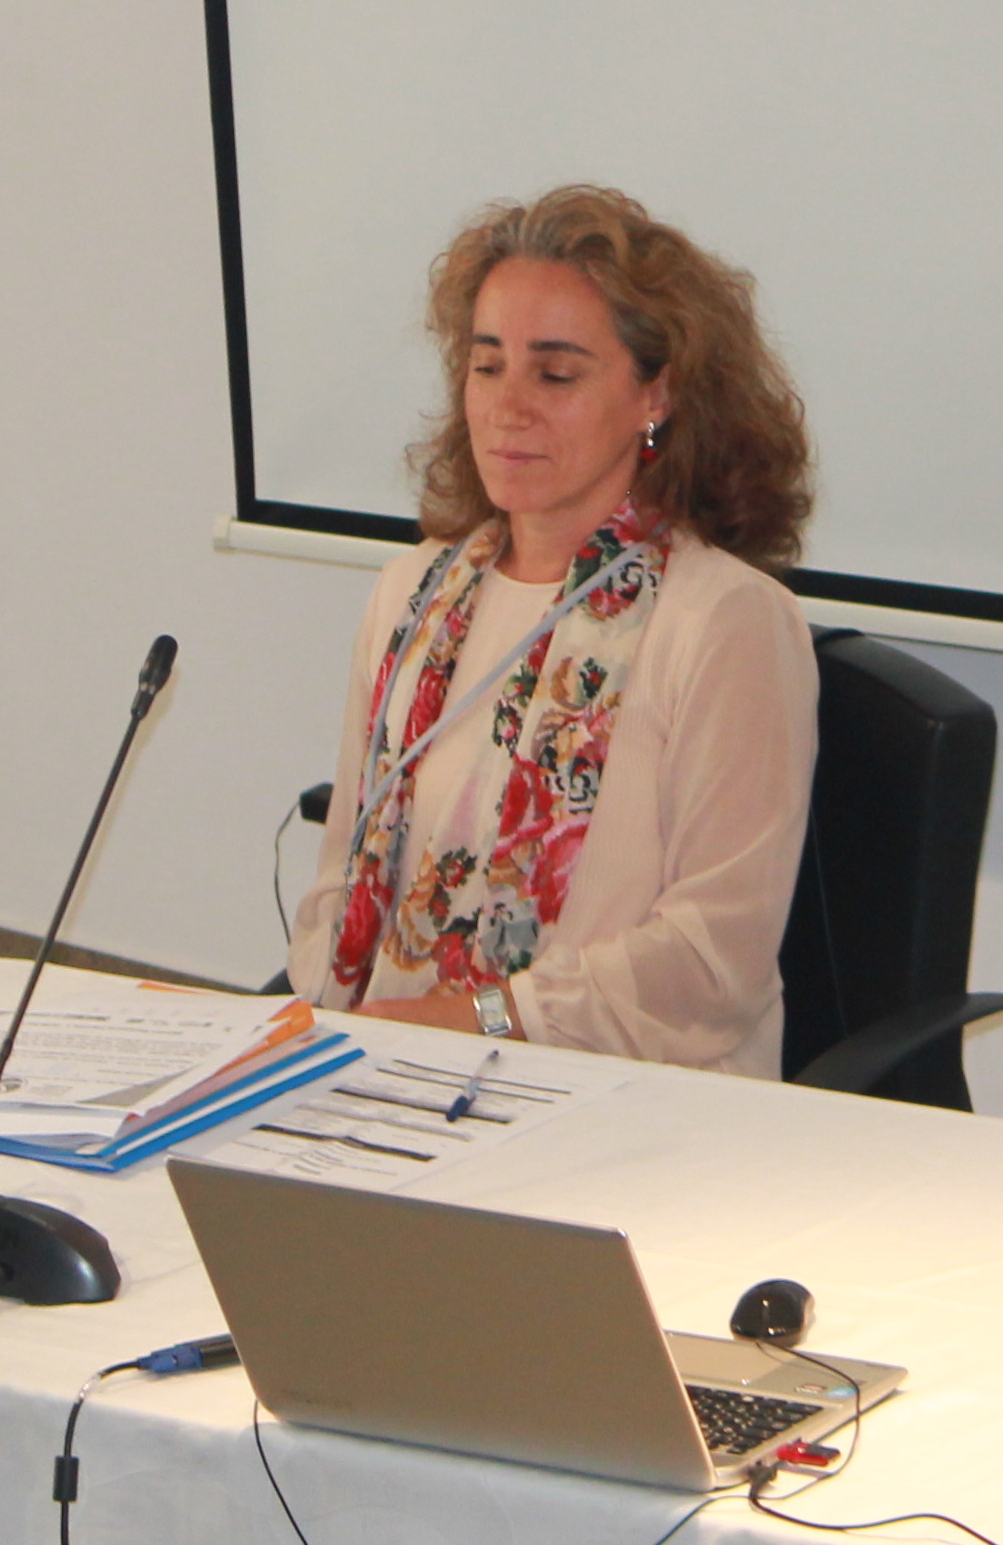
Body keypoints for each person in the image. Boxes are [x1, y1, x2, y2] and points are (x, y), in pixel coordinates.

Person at [288, 186, 820, 1076]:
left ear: (657, 394)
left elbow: (710, 964)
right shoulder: (410, 596)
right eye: (487, 365)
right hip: (389, 1071)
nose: (508, 406)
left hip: (623, 1100)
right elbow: (339, 880)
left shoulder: (727, 622)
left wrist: (486, 1020)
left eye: (556, 374)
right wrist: (311, 1036)